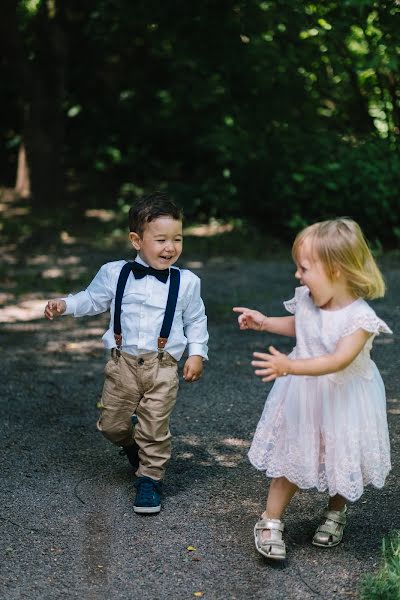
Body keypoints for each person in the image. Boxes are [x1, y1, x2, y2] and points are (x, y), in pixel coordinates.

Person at [233, 218, 392, 561]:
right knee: (290, 458)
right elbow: (301, 325)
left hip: (344, 397)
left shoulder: (359, 320)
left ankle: (336, 511)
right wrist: (265, 322)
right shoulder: (307, 298)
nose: (297, 275)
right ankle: (270, 519)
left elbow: (337, 360)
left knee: (339, 455)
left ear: (335, 270)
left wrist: (290, 366)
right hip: (303, 396)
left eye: (304, 268)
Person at [44, 192, 208, 515]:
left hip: (163, 366)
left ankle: (150, 479)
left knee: (155, 425)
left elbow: (196, 319)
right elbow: (91, 299)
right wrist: (65, 305)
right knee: (111, 425)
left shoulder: (187, 282)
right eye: (160, 239)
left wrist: (197, 353)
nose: (170, 247)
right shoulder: (114, 273)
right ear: (136, 240)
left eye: (177, 239)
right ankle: (133, 445)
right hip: (122, 365)